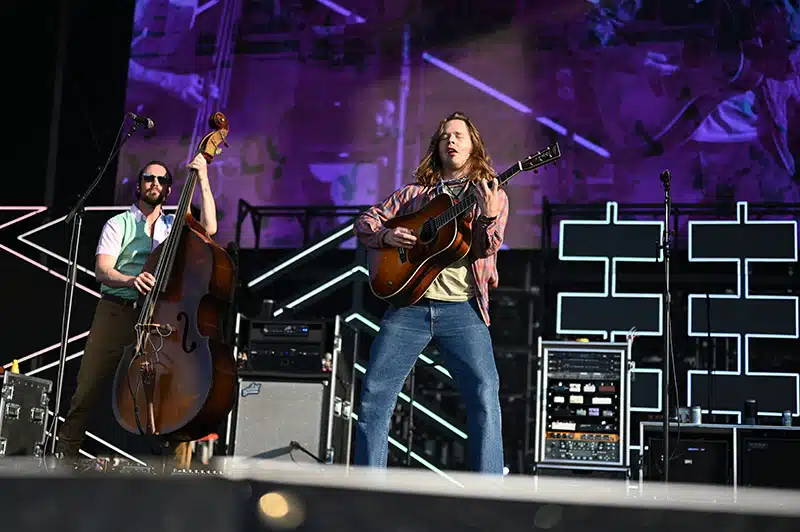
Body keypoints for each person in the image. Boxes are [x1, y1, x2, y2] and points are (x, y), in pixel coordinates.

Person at [353, 111, 509, 474]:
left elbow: (487, 247)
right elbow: (365, 222)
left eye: (458, 136)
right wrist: (386, 236)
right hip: (409, 308)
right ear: (437, 148)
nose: (450, 141)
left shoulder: (490, 194)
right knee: (375, 395)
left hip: (462, 310)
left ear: (473, 146)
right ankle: (367, 489)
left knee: (485, 395)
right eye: (444, 137)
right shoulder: (414, 196)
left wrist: (486, 217)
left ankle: (489, 494)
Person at [55, 153, 218, 458]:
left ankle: (172, 473)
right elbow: (102, 270)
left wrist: (204, 178)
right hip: (118, 309)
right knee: (88, 387)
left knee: (173, 392)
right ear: (139, 186)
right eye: (149, 178)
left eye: (162, 180)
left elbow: (210, 229)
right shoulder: (119, 223)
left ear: (169, 190)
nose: (154, 184)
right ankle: (63, 456)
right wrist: (131, 280)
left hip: (162, 317)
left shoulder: (174, 225)